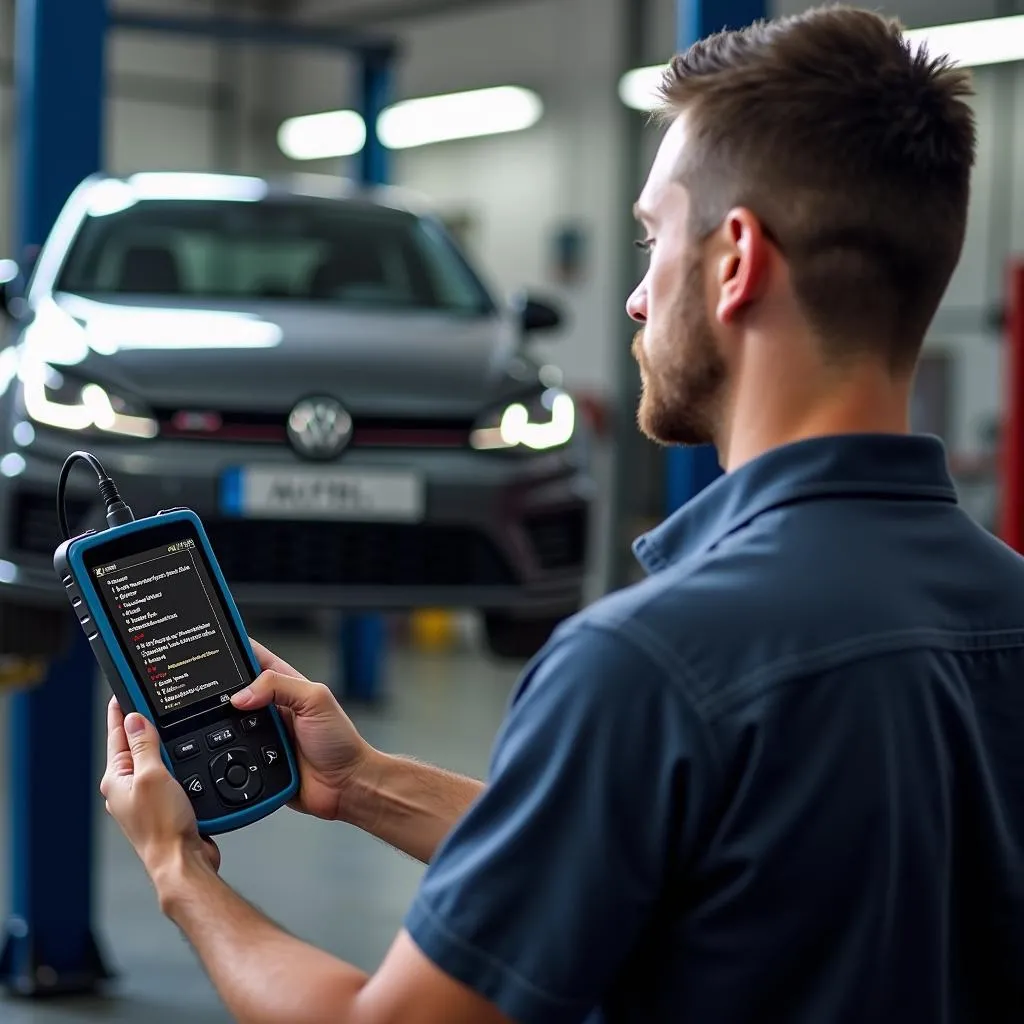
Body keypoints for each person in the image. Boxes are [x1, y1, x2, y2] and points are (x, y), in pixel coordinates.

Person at [101, 6, 1024, 1023]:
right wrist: (361, 783)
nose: (633, 298)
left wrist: (180, 869)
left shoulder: (651, 664)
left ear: (735, 263)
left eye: (651, 237)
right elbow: (665, 853)